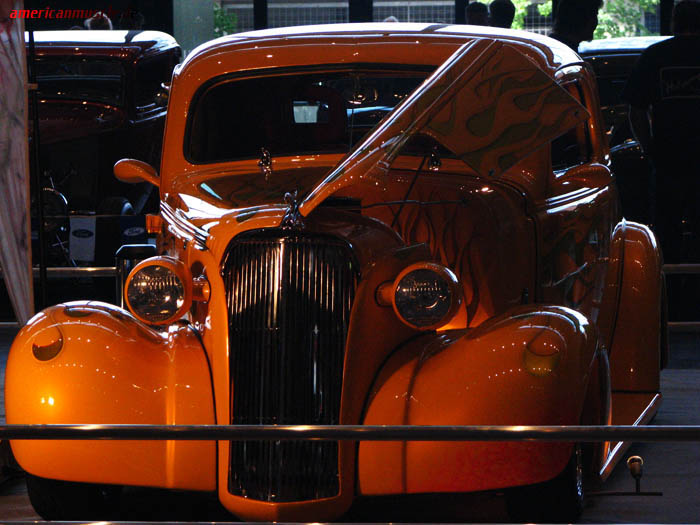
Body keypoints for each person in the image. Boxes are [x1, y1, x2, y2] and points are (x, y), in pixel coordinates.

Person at [623, 0, 700, 263]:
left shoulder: (655, 56)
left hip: (669, 160)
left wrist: (649, 148)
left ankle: (670, 282)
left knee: (667, 234)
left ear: (673, 22)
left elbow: (635, 109)